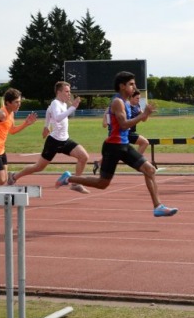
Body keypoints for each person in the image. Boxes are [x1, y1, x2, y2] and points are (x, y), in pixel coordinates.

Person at [55, 71, 178, 217]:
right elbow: (124, 125)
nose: (134, 87)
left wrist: (144, 115)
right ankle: (68, 178)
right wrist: (143, 115)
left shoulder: (126, 102)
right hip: (113, 147)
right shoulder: (118, 102)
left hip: (123, 145)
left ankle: (158, 206)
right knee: (102, 183)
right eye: (131, 84)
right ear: (122, 86)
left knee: (150, 170)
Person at [7, 81, 90, 193]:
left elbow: (48, 111)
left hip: (65, 140)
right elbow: (57, 117)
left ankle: (76, 183)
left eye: (69, 91)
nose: (69, 94)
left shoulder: (63, 104)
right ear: (59, 92)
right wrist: (73, 108)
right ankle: (14, 176)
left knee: (84, 157)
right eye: (66, 91)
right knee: (39, 167)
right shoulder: (56, 103)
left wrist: (46, 126)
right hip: (54, 142)